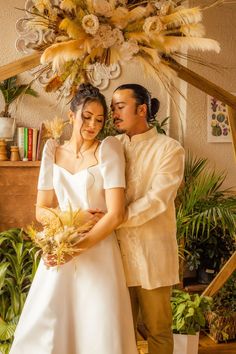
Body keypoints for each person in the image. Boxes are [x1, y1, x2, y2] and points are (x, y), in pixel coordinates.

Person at [10, 83, 137, 354]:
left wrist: (76, 249)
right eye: (86, 116)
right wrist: (74, 218)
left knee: (97, 325)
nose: (92, 125)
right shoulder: (51, 151)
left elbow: (116, 214)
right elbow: (41, 210)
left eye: (100, 120)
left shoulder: (108, 149)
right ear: (72, 115)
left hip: (99, 250)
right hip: (60, 249)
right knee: (49, 324)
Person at [111, 84, 185, 354]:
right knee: (119, 331)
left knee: (158, 331)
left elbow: (157, 200)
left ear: (142, 109)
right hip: (116, 257)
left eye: (120, 107)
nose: (114, 114)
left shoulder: (169, 149)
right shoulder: (112, 146)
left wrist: (115, 218)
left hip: (153, 255)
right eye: (112, 108)